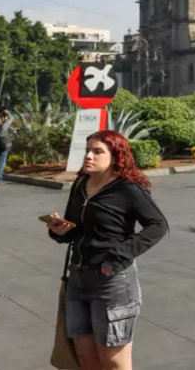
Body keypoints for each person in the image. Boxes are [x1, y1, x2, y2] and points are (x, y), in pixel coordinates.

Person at [46, 130, 168, 370]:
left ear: (115, 156)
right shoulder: (81, 184)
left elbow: (158, 225)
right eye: (87, 150)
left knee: (114, 363)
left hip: (111, 282)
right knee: (86, 358)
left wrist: (116, 258)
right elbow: (75, 228)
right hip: (77, 278)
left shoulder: (128, 189)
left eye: (97, 151)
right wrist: (60, 230)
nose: (89, 156)